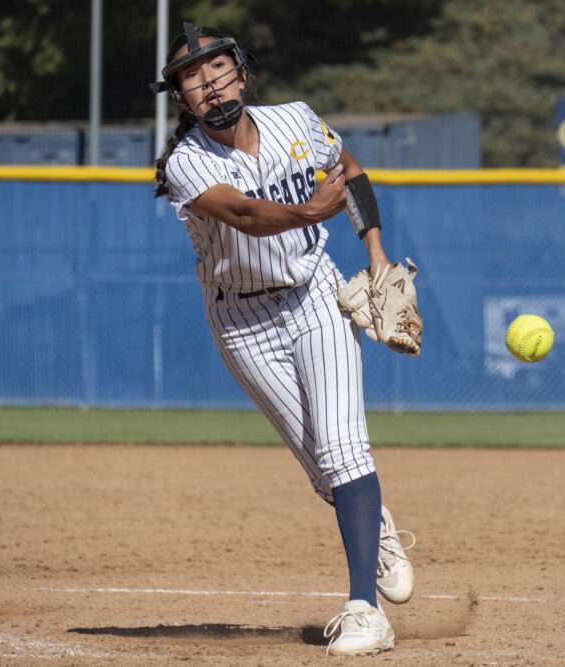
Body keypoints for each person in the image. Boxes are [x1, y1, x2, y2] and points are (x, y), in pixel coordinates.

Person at [151, 22, 416, 656]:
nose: (210, 88)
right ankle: (374, 527)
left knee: (344, 445)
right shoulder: (185, 163)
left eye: (217, 72)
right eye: (193, 81)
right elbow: (244, 213)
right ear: (182, 100)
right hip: (241, 321)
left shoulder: (297, 120)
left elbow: (347, 170)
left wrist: (375, 252)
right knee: (321, 465)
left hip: (314, 297)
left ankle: (364, 611)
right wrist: (308, 212)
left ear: (241, 72)